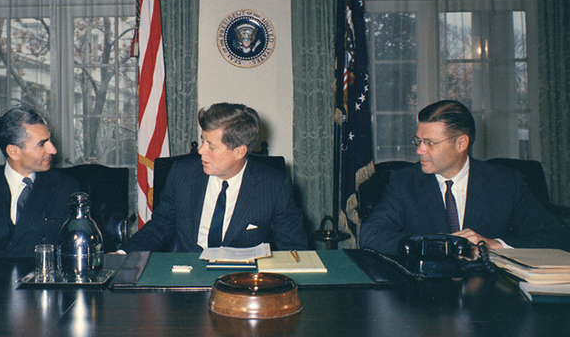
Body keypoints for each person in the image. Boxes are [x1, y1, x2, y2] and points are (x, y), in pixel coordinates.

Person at [360, 100, 570, 256]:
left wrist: (493, 245)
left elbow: (557, 236)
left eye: (429, 143)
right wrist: (436, 245)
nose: (419, 150)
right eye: (418, 140)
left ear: (461, 144)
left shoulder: (505, 182)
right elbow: (371, 235)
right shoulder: (404, 181)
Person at [121, 102, 309, 253]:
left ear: (239, 152)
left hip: (241, 282)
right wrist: (122, 255)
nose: (201, 151)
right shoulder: (182, 174)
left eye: (211, 146)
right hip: (187, 276)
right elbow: (159, 228)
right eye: (203, 141)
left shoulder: (273, 186)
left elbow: (293, 249)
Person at [0, 106, 79, 259]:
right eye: (42, 144)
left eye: (50, 140)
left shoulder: (65, 188)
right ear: (13, 152)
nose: (53, 150)